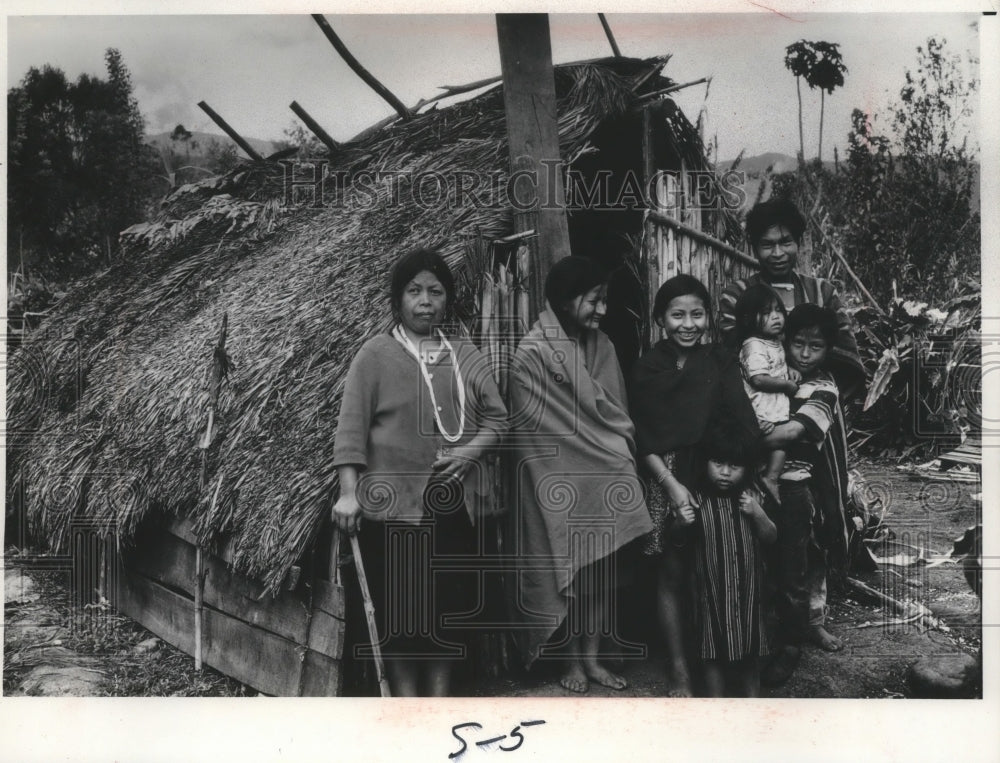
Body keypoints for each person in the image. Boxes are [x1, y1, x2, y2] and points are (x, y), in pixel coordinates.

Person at [331, 248, 509, 697]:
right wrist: (348, 493)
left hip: (451, 510)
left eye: (435, 291)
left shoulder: (463, 352)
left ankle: (439, 705)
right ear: (398, 300)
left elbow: (499, 421)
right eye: (414, 291)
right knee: (400, 618)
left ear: (447, 299)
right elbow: (351, 431)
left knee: (445, 614)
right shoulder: (375, 355)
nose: (425, 300)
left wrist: (468, 454)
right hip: (393, 513)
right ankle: (406, 707)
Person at [509, 256, 652, 694]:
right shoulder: (531, 354)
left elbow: (614, 415)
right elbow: (536, 428)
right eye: (595, 301)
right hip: (559, 480)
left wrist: (610, 457)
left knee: (604, 570)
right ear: (568, 300)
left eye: (604, 301)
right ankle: (570, 659)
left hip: (605, 476)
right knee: (569, 569)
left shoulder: (602, 346)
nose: (602, 311)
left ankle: (591, 659)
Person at [629, 274, 759, 697]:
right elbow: (639, 435)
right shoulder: (648, 366)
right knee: (670, 572)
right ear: (661, 319)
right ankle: (680, 669)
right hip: (664, 475)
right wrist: (669, 485)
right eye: (677, 314)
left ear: (709, 318)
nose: (688, 324)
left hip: (711, 475)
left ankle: (720, 662)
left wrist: (727, 477)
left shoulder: (719, 359)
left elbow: (740, 422)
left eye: (697, 314)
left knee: (712, 572)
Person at [759, 304, 854, 685]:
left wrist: (739, 440)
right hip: (751, 482)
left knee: (793, 568)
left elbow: (791, 434)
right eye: (797, 342)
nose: (804, 352)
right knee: (759, 564)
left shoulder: (824, 389)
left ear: (828, 350)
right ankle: (761, 637)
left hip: (794, 486)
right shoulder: (771, 374)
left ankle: (791, 645)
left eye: (815, 346)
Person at [719, 198, 865, 399]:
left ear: (798, 242)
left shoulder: (823, 292)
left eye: (786, 242)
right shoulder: (737, 296)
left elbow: (844, 357)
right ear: (754, 248)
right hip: (758, 405)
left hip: (818, 399)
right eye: (767, 245)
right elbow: (734, 359)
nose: (778, 253)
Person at [688, 423, 776, 698]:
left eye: (734, 466)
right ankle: (717, 705)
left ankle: (753, 703)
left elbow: (771, 537)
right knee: (711, 652)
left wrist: (758, 513)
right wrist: (680, 524)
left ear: (748, 468)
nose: (725, 472)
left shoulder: (753, 497)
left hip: (748, 596)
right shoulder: (697, 500)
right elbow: (678, 543)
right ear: (705, 463)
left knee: (750, 654)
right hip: (710, 595)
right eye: (718, 463)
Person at [733, 283, 801, 501]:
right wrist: (787, 385)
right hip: (759, 408)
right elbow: (759, 378)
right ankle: (757, 481)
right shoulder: (753, 345)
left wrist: (788, 370)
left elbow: (775, 366)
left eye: (778, 311)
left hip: (775, 408)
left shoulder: (773, 342)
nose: (776, 317)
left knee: (781, 444)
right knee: (771, 443)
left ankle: (770, 478)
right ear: (748, 319)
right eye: (766, 313)